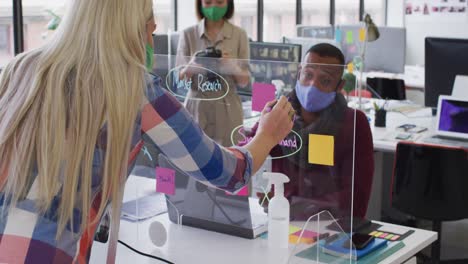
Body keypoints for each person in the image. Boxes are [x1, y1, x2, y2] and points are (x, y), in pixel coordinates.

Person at [0, 1, 293, 262]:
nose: (151, 41)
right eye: (150, 32)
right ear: (130, 30)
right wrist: (267, 135)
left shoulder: (19, 68)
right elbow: (225, 171)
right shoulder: (134, 89)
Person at [252, 44, 374, 220]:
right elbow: (250, 149)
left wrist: (304, 209)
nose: (312, 86)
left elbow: (356, 196)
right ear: (299, 72)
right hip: (281, 219)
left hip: (328, 226)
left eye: (325, 81)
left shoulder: (353, 123)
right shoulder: (279, 113)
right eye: (308, 75)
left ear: (340, 85)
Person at [176, 0, 250, 146]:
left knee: (231, 161)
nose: (213, 7)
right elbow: (178, 81)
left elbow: (245, 81)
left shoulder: (239, 35)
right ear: (200, 4)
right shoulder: (188, 34)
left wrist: (232, 66)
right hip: (197, 107)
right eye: (208, 2)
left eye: (219, 2)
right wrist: (192, 66)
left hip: (228, 109)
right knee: (195, 158)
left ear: (228, 3)